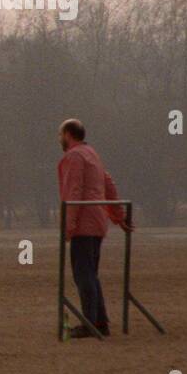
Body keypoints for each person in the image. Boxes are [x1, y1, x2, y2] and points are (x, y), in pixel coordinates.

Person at [57, 118, 131, 338]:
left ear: (68, 134)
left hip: (84, 222)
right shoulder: (92, 154)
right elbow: (108, 184)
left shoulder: (75, 156)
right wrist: (118, 216)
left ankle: (90, 322)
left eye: (60, 134)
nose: (59, 139)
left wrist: (68, 226)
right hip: (97, 221)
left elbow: (74, 190)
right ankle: (100, 321)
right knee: (91, 273)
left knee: (83, 274)